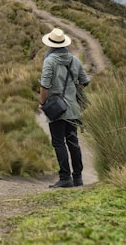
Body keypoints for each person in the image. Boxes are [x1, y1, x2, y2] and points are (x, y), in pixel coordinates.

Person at [38, 27, 91, 188]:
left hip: (57, 109)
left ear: (51, 44)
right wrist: (72, 91)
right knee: (73, 142)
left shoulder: (50, 61)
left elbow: (44, 85)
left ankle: (65, 177)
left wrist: (43, 103)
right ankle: (78, 178)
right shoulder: (74, 60)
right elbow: (84, 81)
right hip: (73, 109)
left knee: (59, 143)